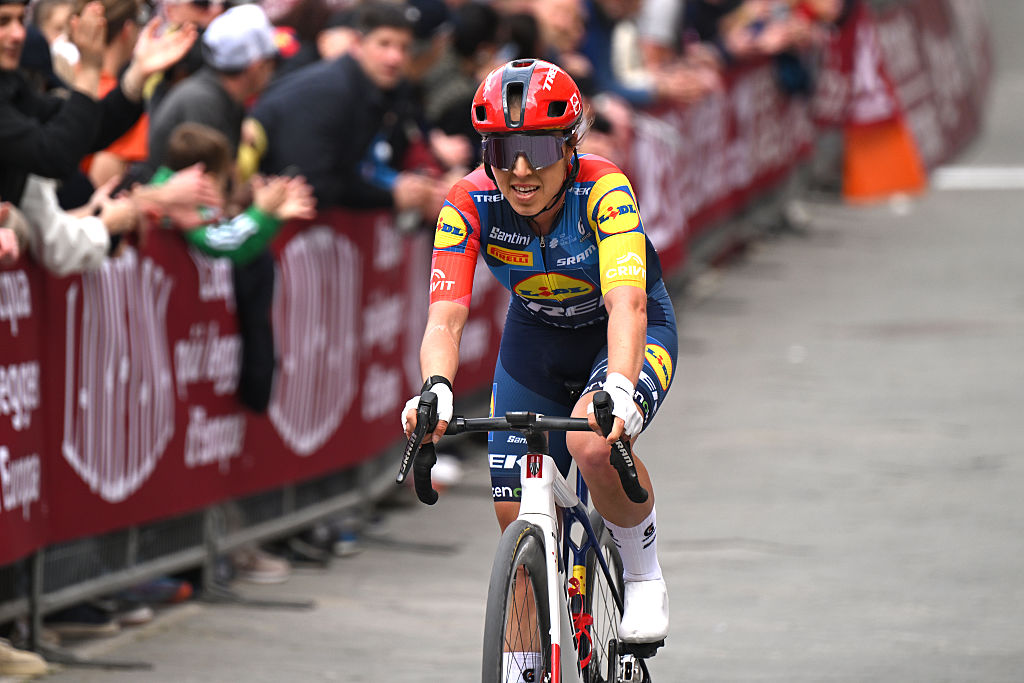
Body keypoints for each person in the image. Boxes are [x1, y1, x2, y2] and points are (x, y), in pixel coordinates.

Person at [402, 59, 677, 663]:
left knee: (592, 445)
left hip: (622, 333)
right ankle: (525, 666)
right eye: (504, 150)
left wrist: (624, 389)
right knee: (515, 519)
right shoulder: (468, 200)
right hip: (536, 340)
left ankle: (644, 574)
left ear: (571, 145)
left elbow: (627, 304)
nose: (521, 170)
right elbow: (445, 317)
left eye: (539, 147)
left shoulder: (604, 189)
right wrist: (437, 386)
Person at [246, 0, 446, 217]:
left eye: (404, 48)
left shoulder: (385, 91)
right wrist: (389, 195)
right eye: (384, 44)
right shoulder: (329, 92)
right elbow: (312, 185)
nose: (394, 57)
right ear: (357, 44)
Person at [0, 0, 196, 206]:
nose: (18, 34)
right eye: (4, 21)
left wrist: (138, 74)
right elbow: (54, 155)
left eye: (22, 20)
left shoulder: (10, 82)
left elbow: (89, 127)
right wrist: (90, 69)